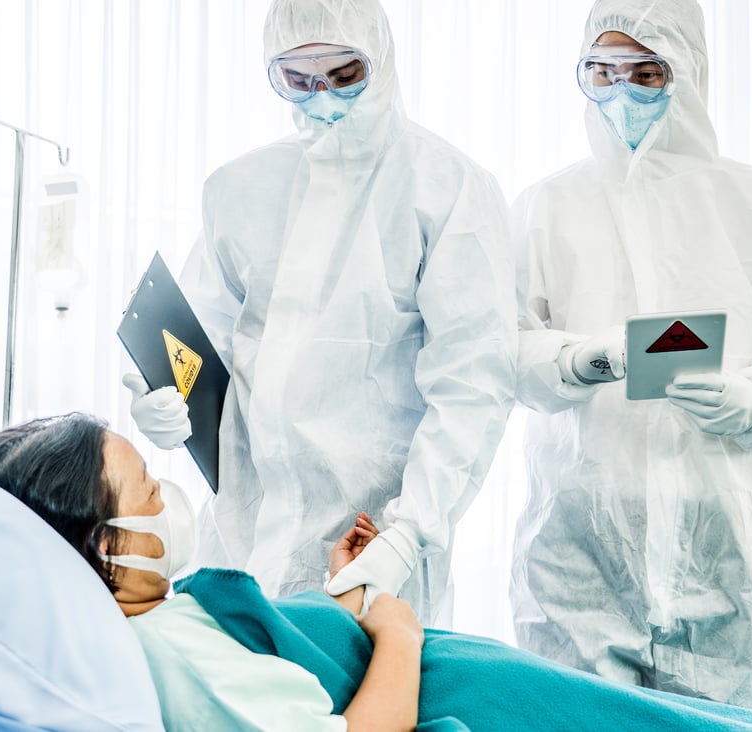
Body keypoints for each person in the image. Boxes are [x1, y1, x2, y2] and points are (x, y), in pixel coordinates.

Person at [0, 413, 752, 732]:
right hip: (453, 687)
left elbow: (278, 664)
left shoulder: (154, 618)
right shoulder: (165, 657)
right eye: (149, 489)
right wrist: (398, 631)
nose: (170, 497)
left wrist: (340, 602)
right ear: (101, 547)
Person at [510, 0, 752, 710]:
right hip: (579, 548)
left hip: (717, 548)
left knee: (716, 724)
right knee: (571, 723)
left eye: (646, 73)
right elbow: (494, 343)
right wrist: (576, 358)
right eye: (602, 72)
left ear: (688, 74)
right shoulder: (546, 207)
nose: (623, 93)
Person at [122, 0, 516, 627]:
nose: (323, 97)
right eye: (298, 80)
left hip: (370, 542)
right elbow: (199, 335)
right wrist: (161, 399)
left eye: (343, 75)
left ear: (380, 61)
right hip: (243, 529)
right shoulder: (240, 187)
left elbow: (474, 381)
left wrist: (409, 533)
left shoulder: (445, 186)